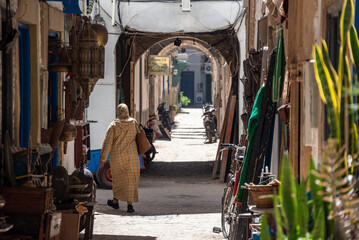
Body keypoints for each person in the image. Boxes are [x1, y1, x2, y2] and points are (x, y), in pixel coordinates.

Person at [99, 103, 140, 213]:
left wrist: (102, 159)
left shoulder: (113, 125)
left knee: (118, 180)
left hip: (117, 157)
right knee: (131, 180)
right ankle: (129, 205)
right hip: (132, 157)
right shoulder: (133, 123)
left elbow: (107, 143)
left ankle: (115, 202)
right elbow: (139, 136)